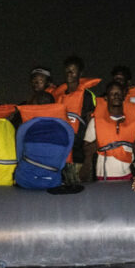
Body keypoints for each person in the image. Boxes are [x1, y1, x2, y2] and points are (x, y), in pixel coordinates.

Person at [51, 56, 100, 186]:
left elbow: (92, 122)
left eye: (73, 71)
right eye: (67, 70)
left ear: (80, 73)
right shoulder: (58, 95)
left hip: (80, 154)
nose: (69, 74)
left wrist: (89, 156)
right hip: (61, 152)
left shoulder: (87, 96)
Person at [83, 81, 135, 181]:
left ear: (124, 97)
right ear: (106, 98)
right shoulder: (96, 121)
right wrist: (105, 140)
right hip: (104, 175)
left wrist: (128, 136)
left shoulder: (133, 122)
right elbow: (86, 149)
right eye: (112, 93)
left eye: (119, 93)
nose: (116, 96)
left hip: (128, 174)